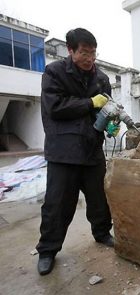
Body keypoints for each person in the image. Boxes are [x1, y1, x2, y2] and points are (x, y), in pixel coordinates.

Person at [36, 28, 118, 276]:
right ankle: (48, 250)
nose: (89, 58)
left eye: (93, 53)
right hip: (63, 151)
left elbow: (105, 108)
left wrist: (109, 121)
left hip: (92, 147)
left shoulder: (101, 78)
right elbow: (56, 108)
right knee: (57, 203)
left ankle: (102, 232)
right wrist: (90, 103)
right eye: (84, 52)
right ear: (70, 50)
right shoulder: (54, 73)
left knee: (99, 198)